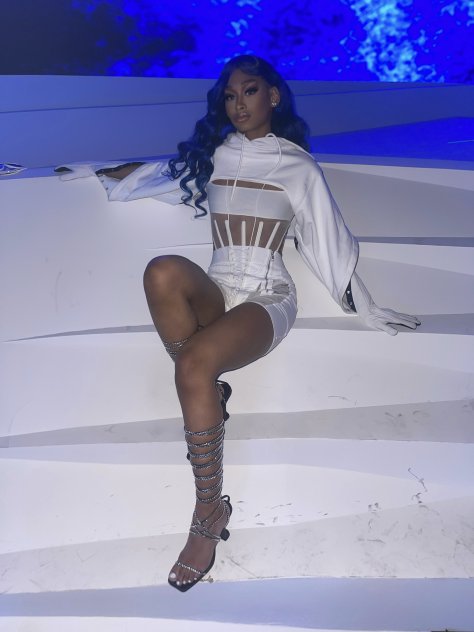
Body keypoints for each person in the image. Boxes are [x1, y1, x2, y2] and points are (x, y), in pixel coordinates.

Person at [61, 55, 420, 592]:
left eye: (249, 92)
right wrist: (97, 171)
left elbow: (326, 240)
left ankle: (209, 512)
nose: (238, 104)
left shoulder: (298, 166)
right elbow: (161, 177)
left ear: (273, 95)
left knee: (193, 365)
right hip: (220, 288)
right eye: (230, 96)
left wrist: (364, 304)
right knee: (161, 271)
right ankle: (206, 388)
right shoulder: (216, 153)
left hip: (268, 296)